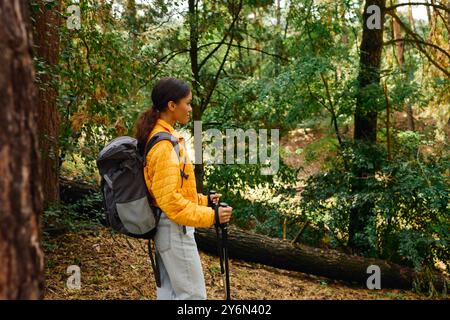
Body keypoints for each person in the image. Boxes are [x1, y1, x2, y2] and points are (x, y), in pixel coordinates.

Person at [134, 77, 233, 300]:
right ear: (171, 105)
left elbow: (174, 191)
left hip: (167, 229)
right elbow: (170, 202)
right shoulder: (163, 146)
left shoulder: (165, 138)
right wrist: (212, 216)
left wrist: (204, 201)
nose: (189, 108)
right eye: (187, 103)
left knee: (169, 295)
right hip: (174, 229)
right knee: (193, 297)